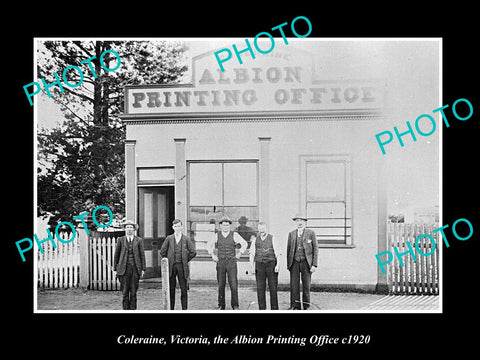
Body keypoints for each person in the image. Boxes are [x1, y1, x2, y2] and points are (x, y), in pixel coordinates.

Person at [207, 216, 247, 310]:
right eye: (223, 225)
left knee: (233, 284)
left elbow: (244, 243)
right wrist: (212, 255)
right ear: (220, 226)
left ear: (230, 226)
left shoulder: (234, 235)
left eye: (227, 225)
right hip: (220, 262)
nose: (225, 227)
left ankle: (235, 305)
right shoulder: (217, 235)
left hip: (231, 262)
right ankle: (221, 305)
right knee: (221, 284)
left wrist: (240, 253)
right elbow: (209, 244)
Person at [160, 219, 196, 310]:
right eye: (175, 226)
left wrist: (185, 259)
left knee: (184, 289)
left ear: (182, 227)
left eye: (179, 226)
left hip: (182, 266)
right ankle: (171, 309)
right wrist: (168, 260)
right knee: (171, 289)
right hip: (171, 267)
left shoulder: (186, 239)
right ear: (173, 227)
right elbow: (162, 251)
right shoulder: (169, 238)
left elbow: (193, 252)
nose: (177, 228)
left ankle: (184, 309)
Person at [286, 214, 318, 310]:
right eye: (297, 221)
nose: (299, 223)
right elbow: (288, 249)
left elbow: (315, 249)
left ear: (305, 222)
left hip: (306, 263)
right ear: (295, 222)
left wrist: (314, 264)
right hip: (294, 262)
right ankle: (295, 306)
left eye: (301, 221)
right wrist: (289, 264)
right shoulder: (291, 234)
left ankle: (306, 306)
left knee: (306, 285)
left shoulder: (311, 233)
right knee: (294, 285)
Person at [113, 220, 146, 310]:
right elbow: (117, 254)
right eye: (127, 227)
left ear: (134, 229)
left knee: (133, 291)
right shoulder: (121, 240)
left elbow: (142, 255)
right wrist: (115, 268)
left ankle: (133, 309)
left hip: (135, 269)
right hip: (123, 269)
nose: (129, 229)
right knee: (124, 292)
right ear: (125, 229)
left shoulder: (139, 240)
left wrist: (143, 269)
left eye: (131, 227)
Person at [249, 222, 280, 310]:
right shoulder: (255, 240)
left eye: (263, 229)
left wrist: (278, 265)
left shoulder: (273, 238)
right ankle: (262, 309)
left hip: (271, 265)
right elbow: (251, 254)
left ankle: (274, 309)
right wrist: (252, 267)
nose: (261, 231)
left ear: (266, 229)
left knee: (273, 288)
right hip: (259, 265)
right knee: (260, 288)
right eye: (260, 229)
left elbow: (278, 253)